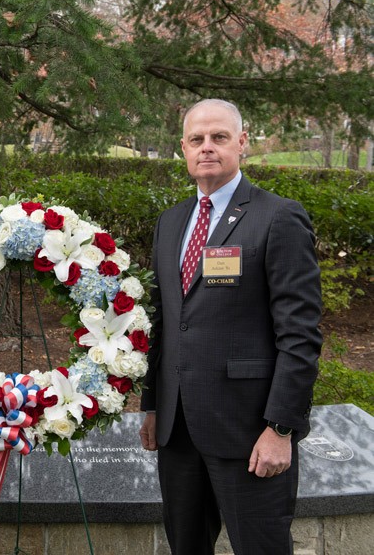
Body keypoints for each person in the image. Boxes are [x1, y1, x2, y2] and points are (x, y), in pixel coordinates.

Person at [138, 98, 322, 554]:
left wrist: (281, 428)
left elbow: (300, 335)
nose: (207, 147)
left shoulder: (278, 217)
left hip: (249, 434)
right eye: (197, 139)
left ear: (241, 143)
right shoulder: (171, 222)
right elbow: (164, 322)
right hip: (178, 432)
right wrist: (152, 404)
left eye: (219, 137)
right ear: (182, 148)